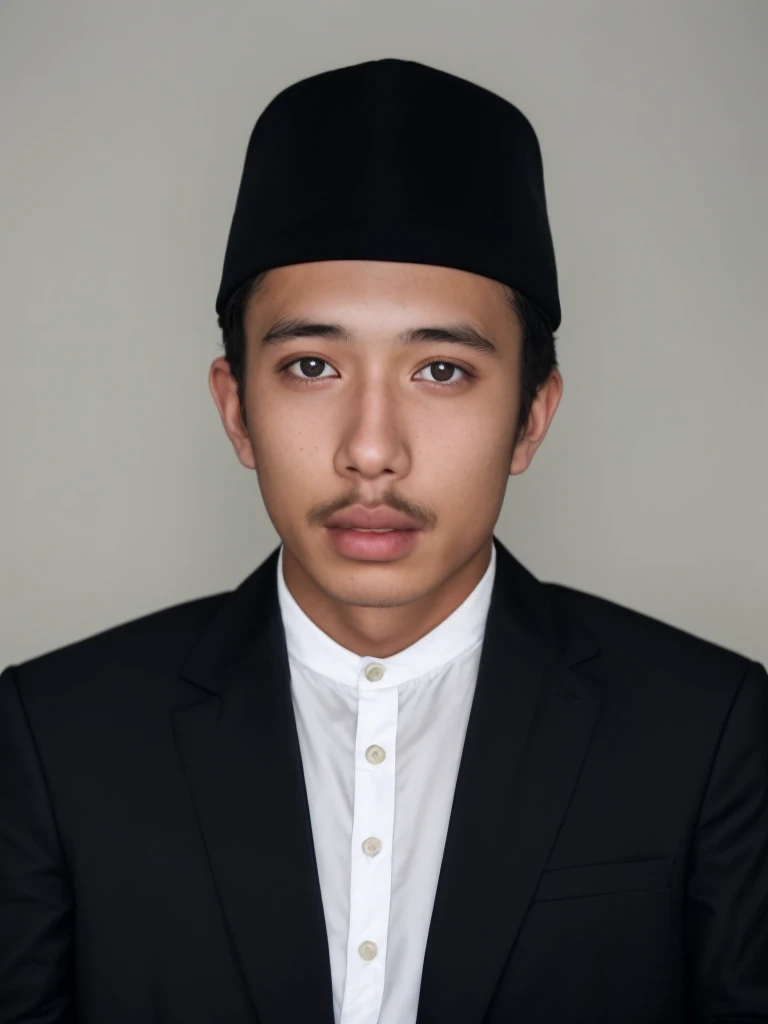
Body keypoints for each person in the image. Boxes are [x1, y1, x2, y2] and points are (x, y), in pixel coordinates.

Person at [1, 56, 766, 1024]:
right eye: (312, 365)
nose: (372, 451)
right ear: (236, 409)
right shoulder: (53, 734)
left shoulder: (708, 728)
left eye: (441, 370)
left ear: (531, 417)